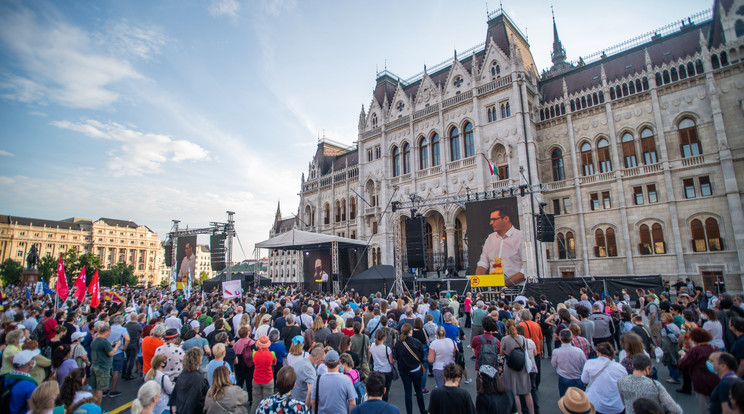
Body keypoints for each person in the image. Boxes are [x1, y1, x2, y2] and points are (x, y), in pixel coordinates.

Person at [617, 354, 682, 414]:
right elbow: (673, 407)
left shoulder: (621, 381)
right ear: (648, 368)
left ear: (632, 366)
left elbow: (623, 402)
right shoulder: (655, 385)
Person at [474, 208, 524, 286]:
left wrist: (504, 284)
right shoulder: (490, 238)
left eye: (494, 219)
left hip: (516, 288)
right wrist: (478, 282)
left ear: (506, 219)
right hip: (493, 288)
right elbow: (483, 263)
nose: (491, 223)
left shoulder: (520, 237)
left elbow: (526, 270)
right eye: (491, 220)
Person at [677, 328, 720, 413]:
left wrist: (683, 356)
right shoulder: (715, 348)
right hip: (716, 380)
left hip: (701, 381)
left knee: (704, 407)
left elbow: (682, 365)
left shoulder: (696, 350)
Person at [580, 342, 626, 414]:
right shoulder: (620, 368)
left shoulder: (589, 363)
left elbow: (584, 380)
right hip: (616, 406)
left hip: (596, 404)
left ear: (597, 352)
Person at [500, 319, 534, 414]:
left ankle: (519, 412)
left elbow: (501, 352)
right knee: (527, 391)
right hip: (522, 365)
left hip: (510, 365)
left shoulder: (505, 339)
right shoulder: (523, 338)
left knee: (514, 392)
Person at [394, 323, 426, 414]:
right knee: (418, 391)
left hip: (404, 370)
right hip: (415, 369)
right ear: (410, 331)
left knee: (407, 393)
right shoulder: (416, 342)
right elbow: (421, 355)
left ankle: (409, 412)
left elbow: (396, 356)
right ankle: (422, 410)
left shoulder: (398, 344)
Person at [169, 348, 209, 414]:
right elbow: (204, 399)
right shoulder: (200, 379)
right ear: (198, 360)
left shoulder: (182, 375)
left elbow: (174, 398)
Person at [90, 322, 121, 403]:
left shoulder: (95, 341)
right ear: (105, 332)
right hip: (103, 367)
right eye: (109, 333)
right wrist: (117, 346)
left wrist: (110, 345)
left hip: (94, 365)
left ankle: (92, 406)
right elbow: (111, 353)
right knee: (100, 389)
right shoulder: (104, 342)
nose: (109, 335)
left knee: (94, 388)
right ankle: (98, 408)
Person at [551, 329, 586, 397]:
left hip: (564, 377)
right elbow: (584, 364)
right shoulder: (579, 351)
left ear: (560, 339)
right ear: (571, 339)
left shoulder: (556, 352)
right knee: (578, 400)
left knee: (565, 400)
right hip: (577, 378)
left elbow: (554, 364)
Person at [5, 350, 40, 414]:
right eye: (33, 359)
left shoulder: (5, 377)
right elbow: (32, 410)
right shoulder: (30, 385)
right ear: (30, 363)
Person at [251, 335, 277, 414]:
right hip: (268, 379)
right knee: (268, 402)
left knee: (256, 401)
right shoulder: (272, 354)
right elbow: (274, 363)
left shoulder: (254, 354)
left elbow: (254, 362)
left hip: (257, 379)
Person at [369, 329, 394, 401]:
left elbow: (370, 355)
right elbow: (391, 361)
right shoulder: (387, 349)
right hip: (386, 370)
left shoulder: (372, 346)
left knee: (377, 389)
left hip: (376, 369)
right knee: (386, 389)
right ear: (384, 338)